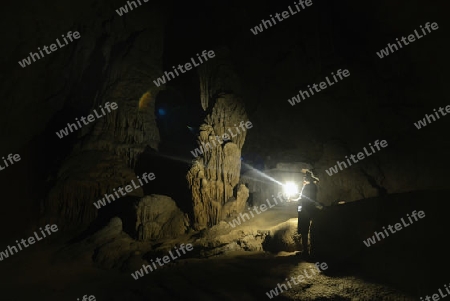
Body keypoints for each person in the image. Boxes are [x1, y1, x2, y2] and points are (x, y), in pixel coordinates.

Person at [297, 171, 320, 259]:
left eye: (305, 176)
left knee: (304, 230)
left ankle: (306, 251)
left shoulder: (309, 186)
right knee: (305, 230)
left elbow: (304, 199)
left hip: (306, 209)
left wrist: (295, 200)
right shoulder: (311, 186)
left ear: (309, 177)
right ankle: (307, 250)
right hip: (306, 208)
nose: (304, 177)